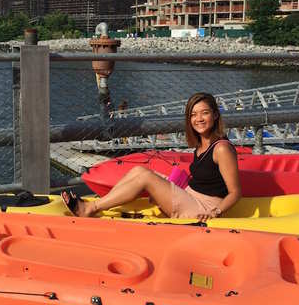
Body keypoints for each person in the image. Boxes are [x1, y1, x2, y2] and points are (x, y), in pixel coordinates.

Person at [62, 92, 241, 221]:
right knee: (139, 170)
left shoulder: (222, 149)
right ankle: (101, 203)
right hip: (190, 195)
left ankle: (90, 208)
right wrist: (167, 188)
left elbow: (235, 192)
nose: (199, 119)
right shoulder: (202, 144)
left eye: (205, 113)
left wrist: (215, 212)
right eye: (193, 115)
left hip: (203, 208)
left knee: (145, 177)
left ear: (215, 115)